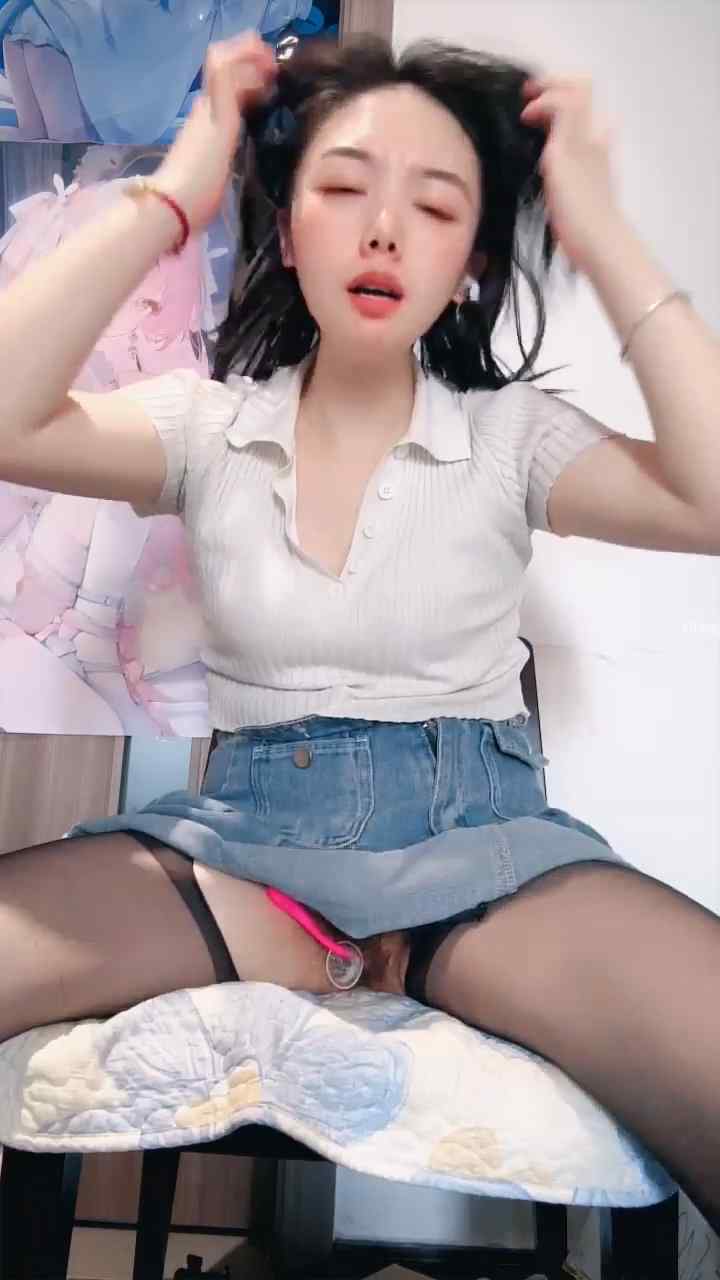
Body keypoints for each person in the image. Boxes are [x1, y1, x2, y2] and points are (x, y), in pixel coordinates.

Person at [1, 29, 719, 1234]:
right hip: (243, 860)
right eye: (343, 190)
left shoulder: (512, 437)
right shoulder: (203, 428)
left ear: (472, 262)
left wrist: (595, 228)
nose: (384, 230)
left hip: (487, 866)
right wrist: (180, 187)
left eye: (433, 207)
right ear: (289, 232)